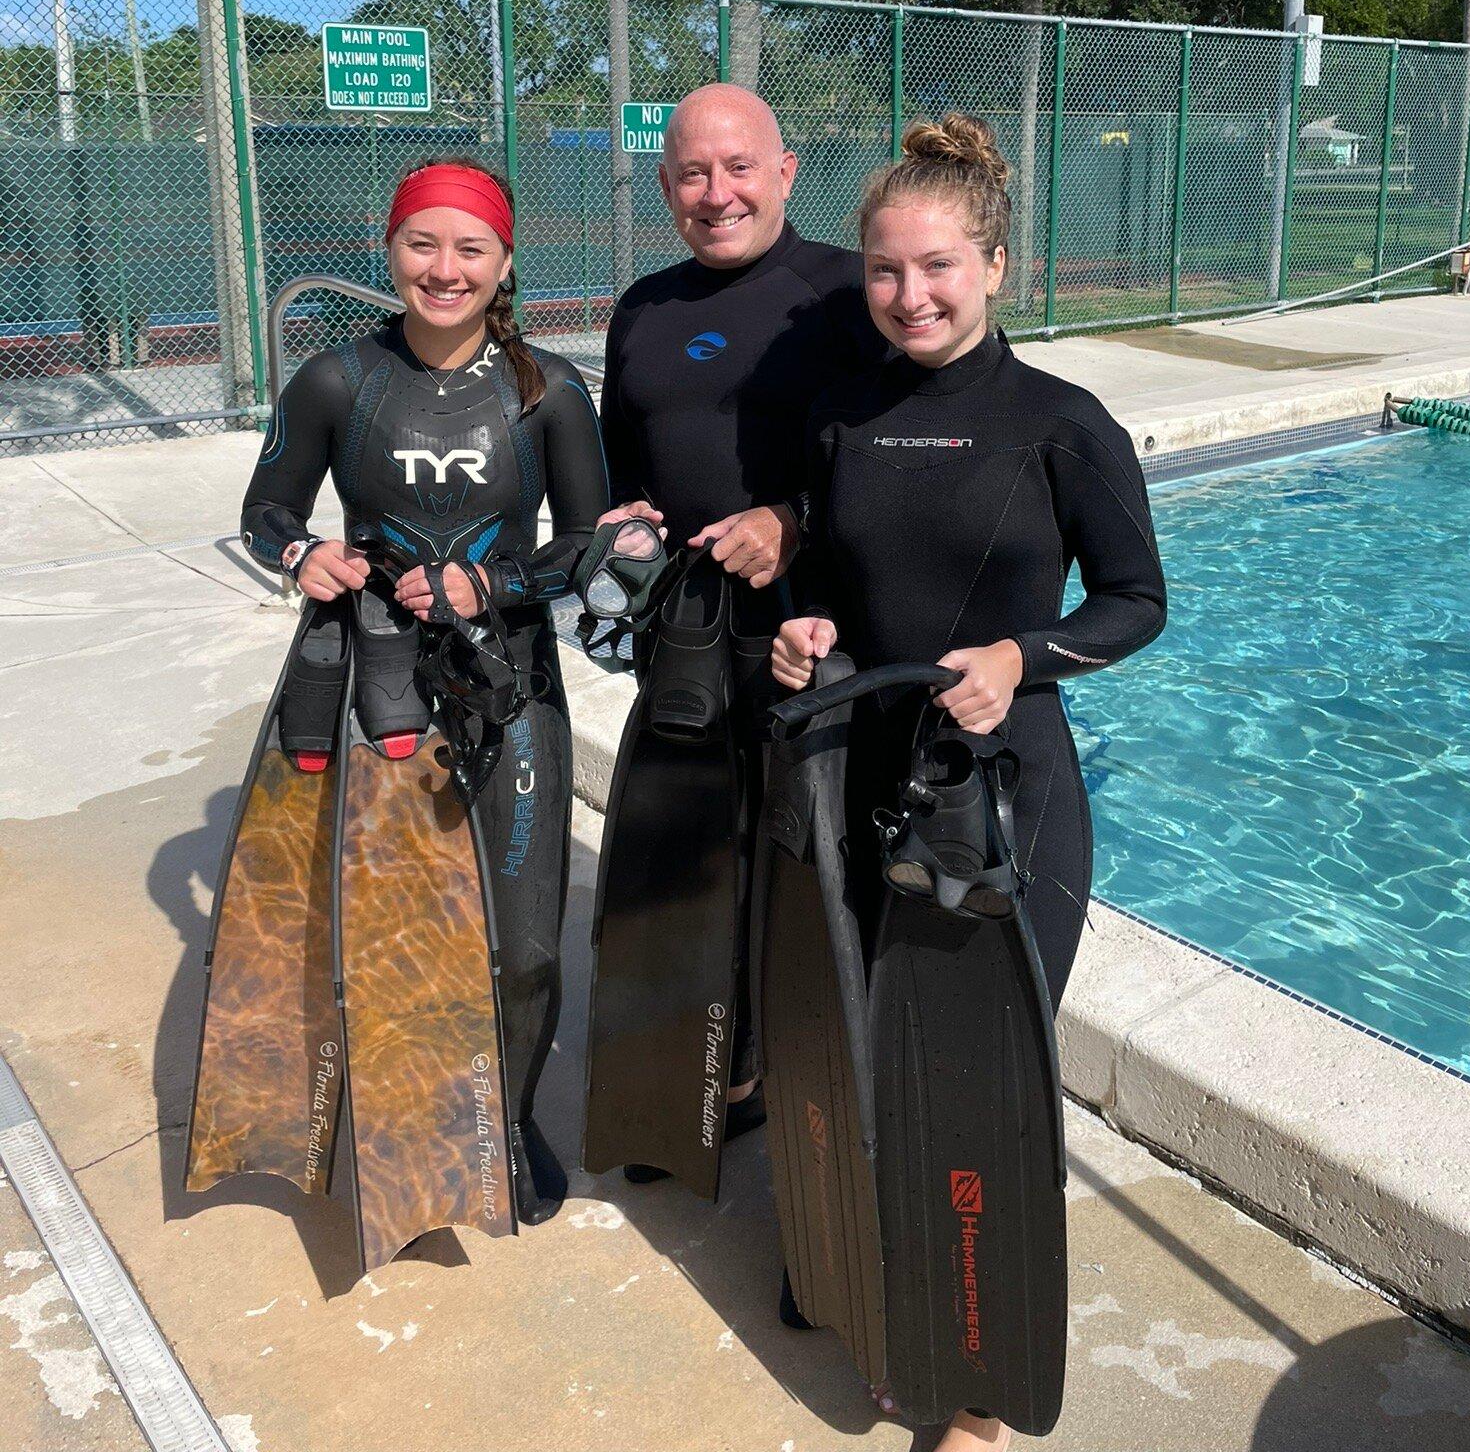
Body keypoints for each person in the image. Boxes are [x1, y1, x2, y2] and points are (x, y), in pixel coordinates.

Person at [771, 114, 1168, 1450]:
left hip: (1010, 797)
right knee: (881, 1059)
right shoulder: (846, 416)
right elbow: (833, 577)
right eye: (886, 272)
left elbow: (1136, 603)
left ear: (996, 264)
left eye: (939, 268)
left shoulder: (1061, 423)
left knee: (984, 1082)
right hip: (871, 777)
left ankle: (980, 1386)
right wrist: (809, 624)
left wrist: (1021, 653)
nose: (911, 296)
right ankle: (902, 1306)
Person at [239, 156, 609, 1223]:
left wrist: (488, 578)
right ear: (388, 246)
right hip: (382, 682)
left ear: (504, 264)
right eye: (423, 244)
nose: (444, 269)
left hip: (512, 684)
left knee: (527, 938)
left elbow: (587, 543)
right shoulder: (335, 380)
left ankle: (510, 1109)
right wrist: (301, 551)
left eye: (471, 249)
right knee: (397, 921)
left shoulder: (551, 390)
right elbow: (267, 504)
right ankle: (417, 1097)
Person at [599, 81, 885, 1151]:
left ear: (785, 171)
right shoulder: (646, 308)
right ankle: (692, 1062)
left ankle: (783, 1065)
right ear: (666, 183)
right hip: (685, 641)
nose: (717, 193)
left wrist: (797, 519)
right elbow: (624, 475)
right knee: (690, 858)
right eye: (692, 172)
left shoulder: (847, 294)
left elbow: (903, 458)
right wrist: (614, 542)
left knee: (804, 866)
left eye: (738, 167)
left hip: (815, 635)